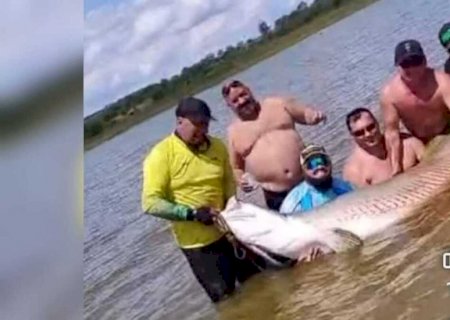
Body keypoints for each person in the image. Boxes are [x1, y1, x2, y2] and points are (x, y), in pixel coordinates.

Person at [141, 97, 261, 303]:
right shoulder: (161, 155)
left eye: (205, 124)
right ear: (180, 122)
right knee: (228, 302)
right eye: (196, 124)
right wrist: (192, 213)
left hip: (230, 232)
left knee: (259, 284)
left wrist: (232, 205)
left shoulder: (217, 146)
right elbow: (150, 203)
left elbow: (227, 182)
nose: (202, 130)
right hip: (200, 246)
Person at [222, 80, 327, 211]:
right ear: (229, 105)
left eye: (243, 94)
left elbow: (305, 113)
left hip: (309, 178)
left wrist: (313, 115)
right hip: (277, 196)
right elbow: (236, 167)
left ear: (249, 90)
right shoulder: (233, 132)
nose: (242, 101)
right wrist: (240, 180)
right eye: (235, 100)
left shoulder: (277, 104)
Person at [380, 39, 450, 176]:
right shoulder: (389, 94)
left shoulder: (443, 81)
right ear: (398, 66)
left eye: (416, 61)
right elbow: (392, 133)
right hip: (421, 141)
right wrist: (396, 169)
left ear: (425, 61)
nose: (412, 68)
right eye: (406, 64)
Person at [342, 107, 425, 187]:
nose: (368, 134)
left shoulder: (408, 142)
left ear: (377, 124)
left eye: (371, 127)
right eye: (359, 133)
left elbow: (432, 163)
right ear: (352, 136)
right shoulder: (353, 171)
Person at [279, 145, 353, 215]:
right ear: (302, 170)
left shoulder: (346, 187)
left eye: (323, 161)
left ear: (330, 163)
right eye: (311, 164)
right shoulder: (292, 204)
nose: (319, 166)